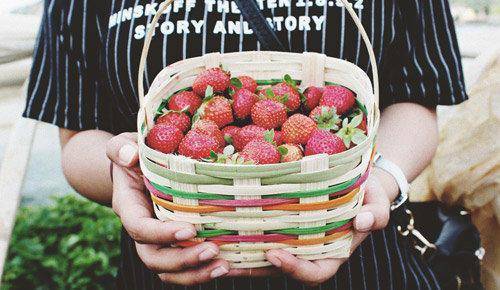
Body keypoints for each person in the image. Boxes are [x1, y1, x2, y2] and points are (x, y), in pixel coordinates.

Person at [24, 0, 468, 289]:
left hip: (366, 266)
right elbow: (78, 136)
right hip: (168, 262)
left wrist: (382, 182)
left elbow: (416, 98)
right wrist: (128, 172)